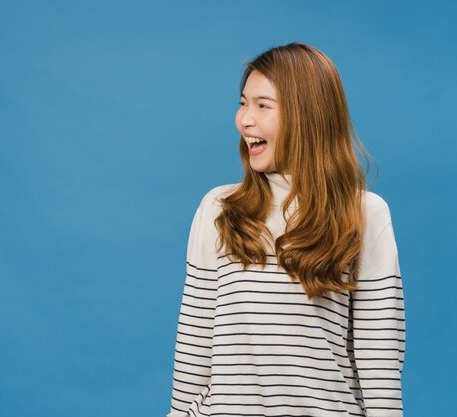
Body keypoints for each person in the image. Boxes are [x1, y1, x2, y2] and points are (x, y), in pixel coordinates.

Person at [166, 42, 406, 417]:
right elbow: (194, 346)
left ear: (308, 116)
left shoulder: (364, 214)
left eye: (263, 105)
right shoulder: (218, 209)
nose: (244, 119)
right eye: (243, 102)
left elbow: (380, 359)